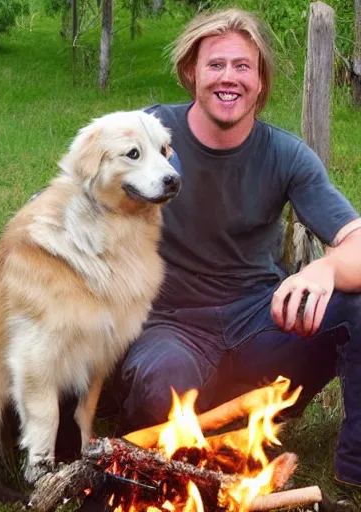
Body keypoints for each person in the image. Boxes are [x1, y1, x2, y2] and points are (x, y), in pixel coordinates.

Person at [106, 8, 361, 487]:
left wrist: (323, 271)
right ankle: (193, 459)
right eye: (215, 64)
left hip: (260, 323)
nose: (230, 78)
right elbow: (75, 193)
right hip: (170, 323)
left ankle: (354, 468)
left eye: (243, 66)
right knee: (163, 382)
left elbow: (357, 240)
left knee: (356, 306)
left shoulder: (285, 154)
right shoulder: (149, 132)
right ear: (191, 73)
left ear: (261, 82)